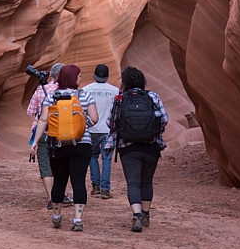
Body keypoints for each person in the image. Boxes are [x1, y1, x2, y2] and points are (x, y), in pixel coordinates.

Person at [30, 65, 98, 232]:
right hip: (82, 144)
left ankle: (57, 216)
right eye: (79, 76)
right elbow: (95, 119)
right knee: (79, 181)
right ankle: (77, 219)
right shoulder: (85, 95)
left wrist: (36, 141)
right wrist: (82, 124)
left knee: (59, 181)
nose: (81, 79)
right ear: (73, 78)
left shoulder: (52, 97)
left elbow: (43, 120)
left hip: (57, 145)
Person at [105, 67, 168, 232]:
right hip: (151, 145)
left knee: (133, 183)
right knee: (146, 182)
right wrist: (152, 132)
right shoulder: (152, 96)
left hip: (128, 147)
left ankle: (136, 215)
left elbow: (111, 124)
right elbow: (164, 119)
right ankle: (146, 214)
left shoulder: (119, 98)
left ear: (125, 82)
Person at [26, 62, 73, 210]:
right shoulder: (68, 91)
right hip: (62, 133)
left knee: (45, 167)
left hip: (43, 133)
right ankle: (62, 194)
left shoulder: (41, 90)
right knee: (61, 166)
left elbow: (30, 111)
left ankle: (51, 198)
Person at [82, 64, 119, 199]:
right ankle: (105, 189)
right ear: (107, 76)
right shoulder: (115, 91)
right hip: (108, 129)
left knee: (92, 156)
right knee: (107, 158)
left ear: (94, 75)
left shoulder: (86, 90)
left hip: (91, 128)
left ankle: (95, 186)